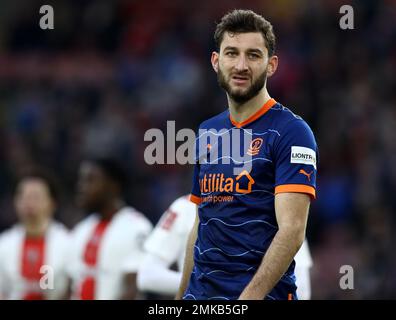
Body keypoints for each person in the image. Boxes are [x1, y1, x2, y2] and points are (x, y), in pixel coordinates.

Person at [176, 9, 318, 300]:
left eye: (253, 55)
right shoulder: (207, 131)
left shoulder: (292, 132)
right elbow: (201, 223)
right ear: (216, 61)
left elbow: (292, 230)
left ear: (272, 64)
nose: (241, 65)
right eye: (232, 53)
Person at [138, 195, 313, 299]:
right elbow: (146, 276)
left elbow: (302, 289)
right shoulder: (184, 207)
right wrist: (213, 284)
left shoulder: (281, 210)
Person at [66, 158, 152, 300]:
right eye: (81, 180)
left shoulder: (137, 228)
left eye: (90, 180)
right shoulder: (81, 230)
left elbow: (133, 289)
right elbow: (70, 286)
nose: (81, 187)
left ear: (113, 186)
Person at [0, 169, 70, 300]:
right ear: (15, 202)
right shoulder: (3, 245)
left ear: (52, 203)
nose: (29, 203)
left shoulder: (68, 244)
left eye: (36, 196)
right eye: (25, 197)